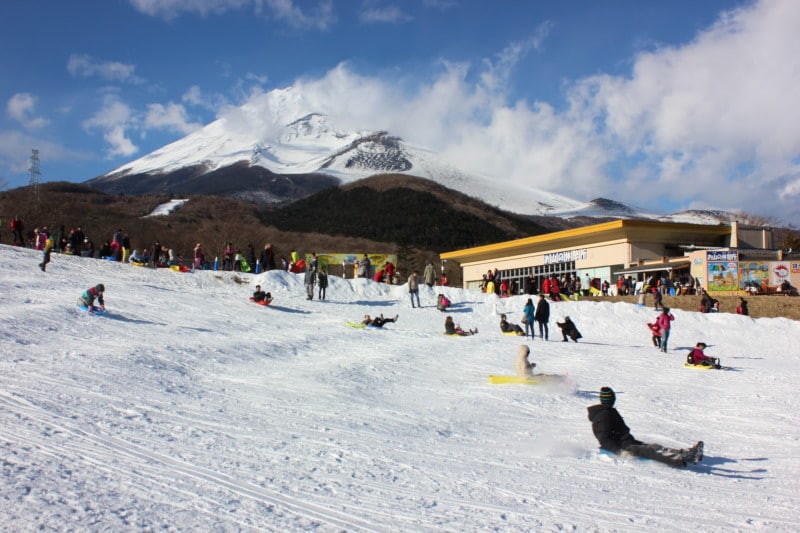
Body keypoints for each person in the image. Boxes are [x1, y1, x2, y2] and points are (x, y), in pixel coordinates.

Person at [588, 387, 703, 468]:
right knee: (650, 451)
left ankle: (684, 453)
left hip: (627, 441)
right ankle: (681, 459)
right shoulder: (603, 415)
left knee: (654, 447)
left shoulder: (609, 412)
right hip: (622, 446)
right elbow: (604, 438)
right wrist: (619, 451)